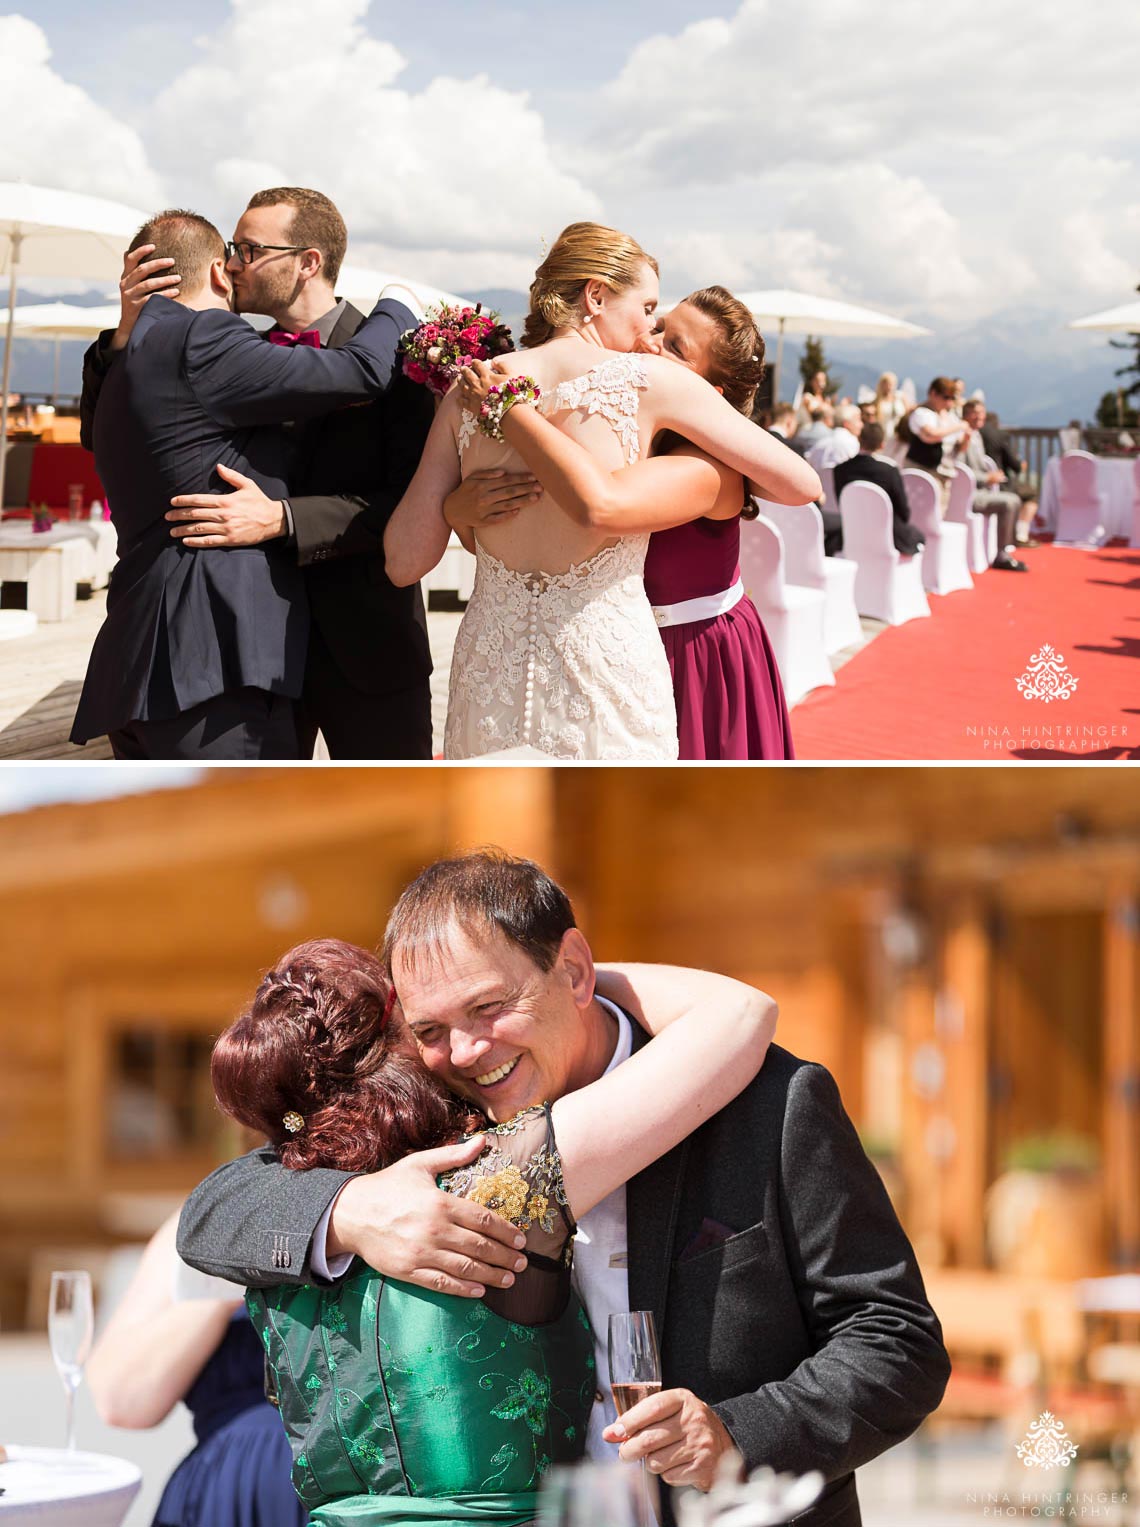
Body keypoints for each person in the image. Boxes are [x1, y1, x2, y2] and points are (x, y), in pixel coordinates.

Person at [179, 851, 951, 1527]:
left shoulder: (771, 1103)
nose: (468, 1050)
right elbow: (217, 1208)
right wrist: (349, 1210)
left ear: (575, 971)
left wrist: (739, 1431)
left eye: (490, 1005)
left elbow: (897, 1339)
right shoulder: (440, 1123)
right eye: (432, 1028)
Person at [207, 929, 778, 1525]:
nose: (456, 1048)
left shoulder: (280, 1224)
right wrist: (558, 977)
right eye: (426, 1028)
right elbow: (737, 1012)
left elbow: (205, 1210)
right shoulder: (498, 1182)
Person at [381, 222, 820, 761]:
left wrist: (455, 507)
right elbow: (801, 483)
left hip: (486, 670)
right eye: (648, 309)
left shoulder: (471, 388)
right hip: (606, 668)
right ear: (596, 295)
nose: (647, 333)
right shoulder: (651, 381)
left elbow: (403, 562)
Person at [84, 189, 434, 761]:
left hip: (364, 646)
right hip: (247, 650)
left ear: (308, 262)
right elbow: (110, 430)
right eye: (231, 248)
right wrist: (123, 335)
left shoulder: (396, 358)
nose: (232, 263)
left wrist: (283, 519)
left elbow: (411, 501)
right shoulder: (225, 346)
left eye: (248, 249)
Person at [450, 288, 794, 761]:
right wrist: (458, 510)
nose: (652, 343)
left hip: (694, 655)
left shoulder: (707, 470)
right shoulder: (624, 431)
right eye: (660, 328)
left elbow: (600, 505)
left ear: (708, 396)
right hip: (618, 648)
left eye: (675, 347)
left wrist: (507, 410)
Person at [86, 1209, 308, 1527]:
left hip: (364, 1490)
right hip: (228, 1494)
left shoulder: (388, 1206)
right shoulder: (216, 1211)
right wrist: (234, 1267)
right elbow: (120, 1400)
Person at [955, 399, 1028, 571]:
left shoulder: (977, 435)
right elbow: (961, 470)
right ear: (966, 415)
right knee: (1010, 502)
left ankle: (1006, 546)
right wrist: (987, 478)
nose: (980, 416)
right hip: (969, 494)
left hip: (981, 489)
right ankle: (1002, 553)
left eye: (982, 412)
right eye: (976, 412)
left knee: (1014, 499)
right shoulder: (962, 436)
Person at [833, 422, 924, 555]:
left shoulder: (840, 469)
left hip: (852, 531)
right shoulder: (889, 471)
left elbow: (841, 501)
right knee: (919, 536)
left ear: (859, 439)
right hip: (888, 533)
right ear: (882, 444)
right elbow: (903, 511)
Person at [901, 377, 970, 498]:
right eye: (946, 397)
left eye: (952, 398)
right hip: (921, 469)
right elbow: (930, 435)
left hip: (945, 471)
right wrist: (959, 427)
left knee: (939, 511)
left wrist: (967, 436)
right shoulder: (922, 413)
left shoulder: (950, 416)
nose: (949, 402)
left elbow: (961, 447)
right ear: (933, 393)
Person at [980, 408, 1040, 547]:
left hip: (979, 483)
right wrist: (1021, 464)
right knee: (1031, 494)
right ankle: (1021, 534)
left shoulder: (975, 435)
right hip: (1000, 483)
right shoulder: (999, 436)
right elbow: (1015, 465)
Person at [805, 402, 863, 472]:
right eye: (858, 420)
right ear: (847, 424)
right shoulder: (853, 444)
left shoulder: (819, 444)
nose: (862, 424)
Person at [873, 372, 907, 440]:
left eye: (892, 384)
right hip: (883, 434)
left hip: (899, 434)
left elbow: (907, 413)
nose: (889, 387)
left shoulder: (901, 396)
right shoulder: (877, 400)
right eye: (887, 384)